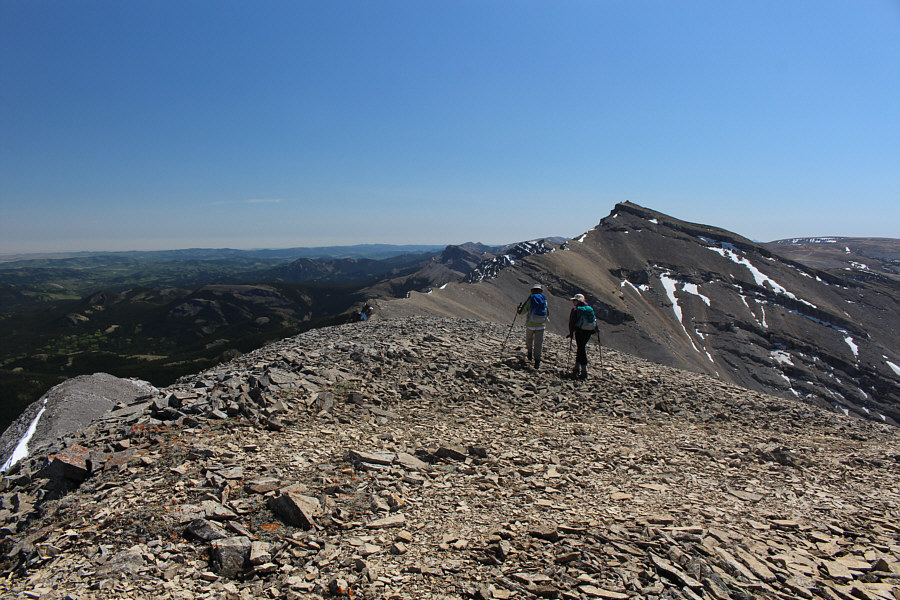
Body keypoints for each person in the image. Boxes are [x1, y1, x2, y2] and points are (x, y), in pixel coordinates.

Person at [517, 284, 549, 369]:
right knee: (538, 343)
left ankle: (529, 355)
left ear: (532, 291)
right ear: (540, 291)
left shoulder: (531, 298)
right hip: (541, 325)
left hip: (530, 324)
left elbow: (523, 311)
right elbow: (547, 311)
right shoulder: (544, 299)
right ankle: (537, 362)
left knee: (529, 340)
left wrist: (518, 309)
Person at [567, 293, 596, 379]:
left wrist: (571, 333)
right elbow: (594, 320)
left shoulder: (575, 309)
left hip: (580, 331)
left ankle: (584, 370)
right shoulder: (589, 308)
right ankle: (577, 367)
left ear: (577, 301)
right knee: (581, 348)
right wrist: (597, 330)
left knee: (581, 349)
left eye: (574, 300)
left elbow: (572, 322)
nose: (573, 302)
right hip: (588, 332)